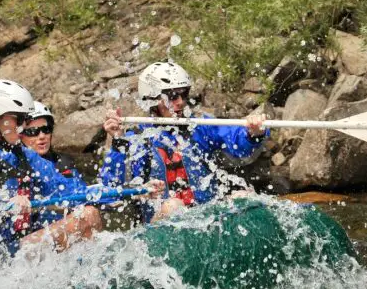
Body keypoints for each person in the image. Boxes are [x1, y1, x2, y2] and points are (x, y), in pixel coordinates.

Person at [0, 79, 106, 258]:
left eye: (25, 120)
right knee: (85, 217)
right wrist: (5, 208)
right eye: (18, 119)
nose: (22, 127)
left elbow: (66, 189)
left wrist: (106, 194)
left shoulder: (23, 155)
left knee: (89, 214)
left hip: (16, 245)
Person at [99, 61, 268, 222]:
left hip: (205, 218)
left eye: (184, 94)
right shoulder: (137, 138)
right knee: (173, 206)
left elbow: (238, 144)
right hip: (160, 225)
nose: (180, 102)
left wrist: (253, 132)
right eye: (172, 96)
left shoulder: (200, 126)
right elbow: (111, 189)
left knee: (243, 197)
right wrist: (117, 141)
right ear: (153, 99)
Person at [19, 101, 87, 229]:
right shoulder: (14, 166)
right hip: (30, 235)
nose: (42, 136)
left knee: (87, 213)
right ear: (20, 136)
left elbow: (79, 194)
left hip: (61, 228)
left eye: (46, 130)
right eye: (33, 131)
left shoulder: (63, 162)